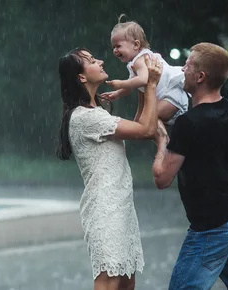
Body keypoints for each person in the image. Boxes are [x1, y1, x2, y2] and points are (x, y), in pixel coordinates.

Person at [56, 48, 166, 290]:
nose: (101, 60)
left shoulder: (97, 112)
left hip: (121, 205)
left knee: (126, 281)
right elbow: (147, 130)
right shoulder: (85, 117)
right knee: (110, 281)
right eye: (93, 61)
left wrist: (142, 85)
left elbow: (140, 124)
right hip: (105, 208)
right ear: (81, 77)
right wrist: (150, 85)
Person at [151, 42, 228, 290]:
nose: (181, 70)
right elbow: (204, 141)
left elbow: (162, 178)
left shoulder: (189, 124)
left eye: (187, 66)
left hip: (213, 226)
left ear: (200, 77)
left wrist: (162, 141)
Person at [101, 15, 189, 126]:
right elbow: (130, 86)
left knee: (146, 121)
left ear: (136, 44)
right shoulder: (137, 61)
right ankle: (164, 140)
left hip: (170, 96)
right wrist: (117, 94)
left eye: (118, 46)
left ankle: (163, 141)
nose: (115, 50)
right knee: (146, 123)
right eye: (113, 47)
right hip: (169, 98)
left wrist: (120, 84)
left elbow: (142, 80)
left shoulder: (140, 60)